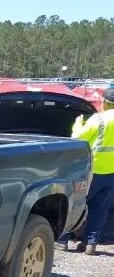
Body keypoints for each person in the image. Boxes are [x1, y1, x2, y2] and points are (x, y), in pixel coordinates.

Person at [57, 88, 114, 255]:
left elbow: (78, 139)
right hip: (110, 173)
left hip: (91, 170)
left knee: (75, 203)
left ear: (104, 102)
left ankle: (63, 241)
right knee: (100, 208)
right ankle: (91, 243)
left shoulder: (99, 119)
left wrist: (78, 124)